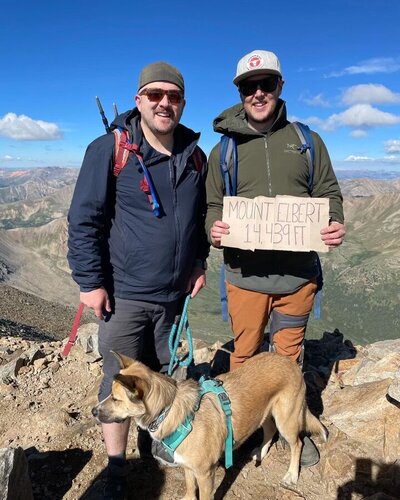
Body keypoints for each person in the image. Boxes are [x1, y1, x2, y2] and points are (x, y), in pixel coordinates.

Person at [67, 61, 209, 499]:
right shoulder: (110, 150)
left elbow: (199, 219)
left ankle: (158, 442)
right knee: (119, 380)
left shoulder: (194, 155)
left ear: (183, 103)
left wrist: (199, 262)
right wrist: (91, 281)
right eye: (155, 95)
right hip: (125, 294)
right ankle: (115, 469)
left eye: (174, 96)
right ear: (139, 100)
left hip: (174, 296)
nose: (165, 103)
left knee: (166, 376)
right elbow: (84, 219)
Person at [205, 49, 345, 466]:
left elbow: (329, 193)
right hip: (245, 278)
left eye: (267, 84)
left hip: (297, 279)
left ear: (280, 87)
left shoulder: (307, 141)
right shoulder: (225, 150)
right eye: (250, 87)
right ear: (240, 92)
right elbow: (213, 204)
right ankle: (241, 428)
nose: (259, 93)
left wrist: (333, 220)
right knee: (244, 357)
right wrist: (214, 228)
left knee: (288, 360)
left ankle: (291, 429)